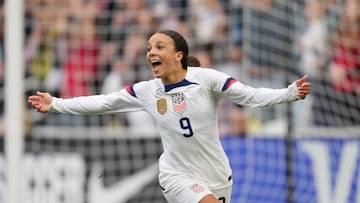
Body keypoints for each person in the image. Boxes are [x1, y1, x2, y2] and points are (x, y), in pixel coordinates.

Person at [28, 30, 311, 203]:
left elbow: (249, 96)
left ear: (179, 55)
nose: (152, 51)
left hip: (217, 173)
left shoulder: (207, 79)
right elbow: (103, 102)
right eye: (149, 47)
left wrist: (289, 93)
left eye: (159, 46)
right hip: (176, 174)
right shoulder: (146, 91)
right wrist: (56, 104)